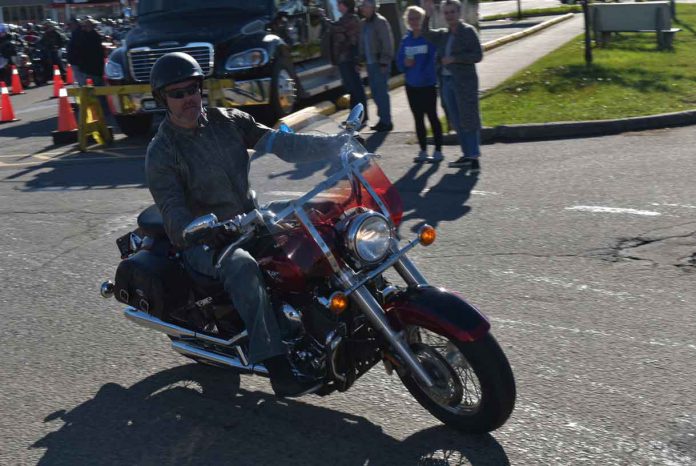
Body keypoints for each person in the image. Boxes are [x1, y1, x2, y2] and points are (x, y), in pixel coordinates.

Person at [146, 52, 338, 398]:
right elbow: (172, 210)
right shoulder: (162, 151)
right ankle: (278, 367)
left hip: (248, 220)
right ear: (163, 99)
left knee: (316, 223)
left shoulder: (227, 121)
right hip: (204, 240)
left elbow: (282, 143)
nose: (188, 97)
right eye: (177, 93)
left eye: (193, 88)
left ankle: (330, 315)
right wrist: (198, 228)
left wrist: (337, 146)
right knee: (242, 267)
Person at [422, 0, 483, 172]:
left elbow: (477, 55)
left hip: (464, 83)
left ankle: (474, 157)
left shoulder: (468, 31)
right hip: (447, 83)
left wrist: (455, 59)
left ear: (459, 13)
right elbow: (425, 33)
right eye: (446, 13)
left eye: (452, 12)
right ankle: (466, 155)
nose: (449, 16)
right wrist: (427, 15)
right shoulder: (444, 34)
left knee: (468, 118)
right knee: (456, 120)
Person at [396, 6, 443, 163]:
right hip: (411, 86)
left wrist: (426, 76)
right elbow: (399, 64)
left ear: (423, 20)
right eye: (411, 19)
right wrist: (405, 63)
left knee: (432, 117)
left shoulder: (428, 38)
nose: (414, 21)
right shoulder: (406, 40)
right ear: (407, 21)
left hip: (428, 85)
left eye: (417, 18)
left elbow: (433, 61)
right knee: (418, 119)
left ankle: (438, 150)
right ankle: (423, 150)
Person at [325, 0, 368, 126]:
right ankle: (353, 118)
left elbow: (339, 29)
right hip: (345, 60)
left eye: (339, 4)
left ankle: (361, 117)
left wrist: (357, 61)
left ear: (345, 5)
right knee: (352, 89)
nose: (337, 6)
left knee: (356, 89)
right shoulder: (346, 18)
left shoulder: (351, 19)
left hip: (350, 59)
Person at [358, 0, 394, 132]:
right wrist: (360, 61)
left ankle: (387, 122)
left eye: (365, 6)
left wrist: (384, 61)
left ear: (373, 7)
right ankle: (382, 120)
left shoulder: (381, 21)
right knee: (375, 93)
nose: (362, 8)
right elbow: (362, 44)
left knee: (381, 93)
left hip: (380, 63)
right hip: (369, 63)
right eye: (362, 6)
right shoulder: (363, 24)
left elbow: (387, 43)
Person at [75, 17, 104, 85]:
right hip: (86, 67)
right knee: (87, 88)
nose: (85, 28)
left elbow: (99, 52)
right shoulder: (81, 36)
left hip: (95, 66)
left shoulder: (96, 36)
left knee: (98, 87)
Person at [66, 18, 85, 85]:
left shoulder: (79, 33)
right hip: (75, 60)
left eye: (71, 24)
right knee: (79, 78)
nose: (70, 26)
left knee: (81, 79)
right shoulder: (74, 33)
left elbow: (78, 47)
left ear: (76, 24)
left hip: (79, 60)